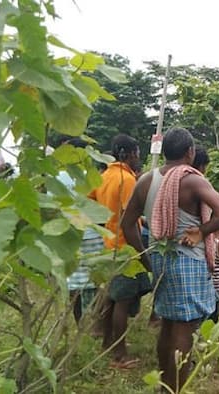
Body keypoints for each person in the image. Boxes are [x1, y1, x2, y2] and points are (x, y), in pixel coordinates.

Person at [121, 127, 219, 392]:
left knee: (168, 324)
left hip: (160, 260)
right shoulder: (192, 179)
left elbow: (127, 225)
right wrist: (201, 231)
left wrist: (147, 257)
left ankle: (165, 385)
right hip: (188, 261)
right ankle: (177, 388)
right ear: (190, 152)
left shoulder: (145, 181)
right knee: (184, 328)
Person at [89, 134, 151, 369]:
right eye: (136, 153)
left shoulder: (103, 176)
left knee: (110, 299)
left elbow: (92, 206)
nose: (138, 158)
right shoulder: (127, 179)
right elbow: (128, 221)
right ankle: (120, 354)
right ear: (126, 154)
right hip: (124, 248)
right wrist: (142, 253)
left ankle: (107, 343)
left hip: (108, 246)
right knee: (122, 302)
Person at [56, 138, 105, 328]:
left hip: (67, 236)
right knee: (94, 281)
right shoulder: (92, 178)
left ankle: (78, 323)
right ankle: (94, 324)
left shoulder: (57, 178)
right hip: (92, 234)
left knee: (73, 282)